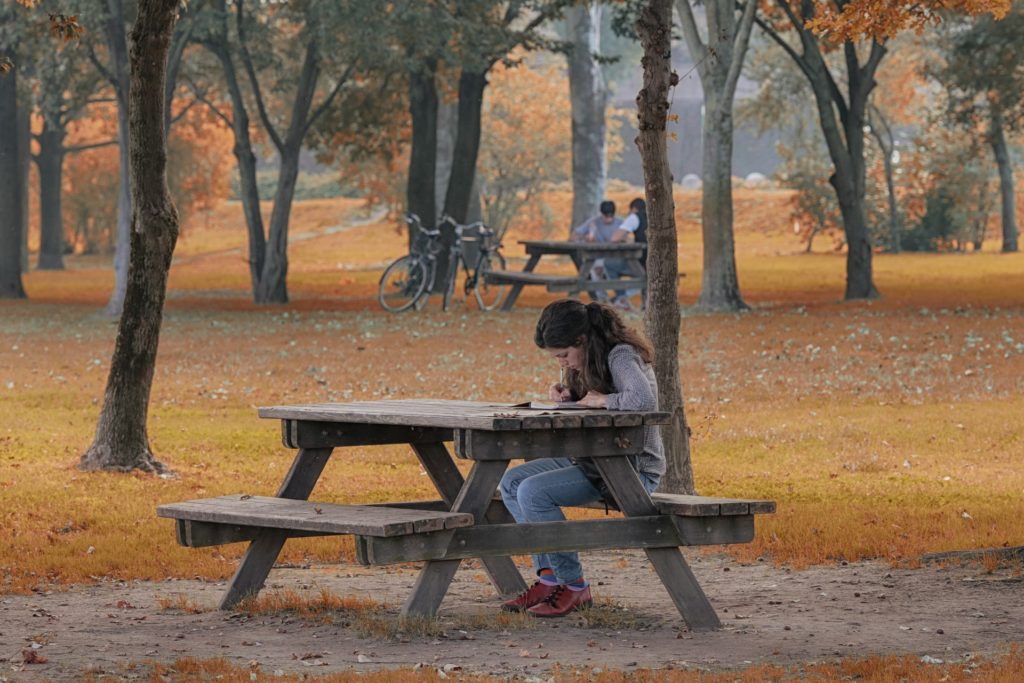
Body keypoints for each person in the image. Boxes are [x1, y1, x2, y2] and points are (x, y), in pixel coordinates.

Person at [498, 299, 664, 617]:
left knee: (533, 492)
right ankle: (549, 580)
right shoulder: (589, 361)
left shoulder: (621, 354)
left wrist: (604, 400)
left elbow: (642, 400)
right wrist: (568, 397)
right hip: (593, 462)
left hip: (630, 471)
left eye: (564, 355)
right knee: (512, 481)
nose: (563, 362)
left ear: (582, 340)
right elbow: (594, 402)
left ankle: (574, 587)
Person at [602, 197, 647, 308]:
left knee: (609, 264)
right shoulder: (656, 216)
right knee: (641, 274)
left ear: (633, 209)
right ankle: (623, 298)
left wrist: (624, 239)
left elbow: (615, 238)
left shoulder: (635, 217)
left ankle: (621, 297)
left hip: (643, 263)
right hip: (658, 263)